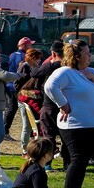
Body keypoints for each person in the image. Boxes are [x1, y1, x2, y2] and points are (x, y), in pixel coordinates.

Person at [44, 39, 94, 188]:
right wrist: (63, 104)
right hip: (76, 125)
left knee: (84, 160)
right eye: (87, 53)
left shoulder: (88, 72)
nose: (90, 55)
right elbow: (50, 86)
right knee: (78, 159)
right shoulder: (66, 72)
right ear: (76, 56)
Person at [30, 40, 69, 171]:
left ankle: (47, 162)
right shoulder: (69, 67)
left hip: (49, 105)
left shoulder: (51, 66)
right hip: (65, 106)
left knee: (48, 136)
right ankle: (67, 163)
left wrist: (51, 63)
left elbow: (34, 73)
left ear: (53, 53)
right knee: (66, 137)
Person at [4, 37, 34, 141]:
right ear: (24, 46)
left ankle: (5, 131)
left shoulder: (12, 54)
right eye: (30, 45)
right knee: (19, 109)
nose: (31, 47)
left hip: (10, 85)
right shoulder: (24, 56)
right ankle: (5, 131)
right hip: (18, 87)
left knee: (11, 109)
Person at [15, 48, 43, 157]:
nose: (39, 61)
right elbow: (17, 84)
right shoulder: (25, 67)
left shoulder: (34, 67)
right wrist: (24, 92)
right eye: (37, 59)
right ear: (32, 58)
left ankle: (31, 148)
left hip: (31, 98)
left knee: (32, 126)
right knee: (27, 126)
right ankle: (24, 150)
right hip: (24, 99)